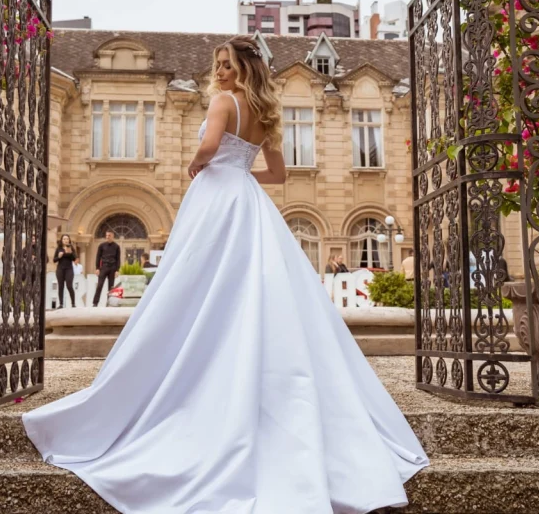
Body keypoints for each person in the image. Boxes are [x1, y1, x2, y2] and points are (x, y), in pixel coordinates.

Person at [23, 36, 428, 513]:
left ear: (240, 70)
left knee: (196, 283)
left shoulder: (222, 102)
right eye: (217, 65)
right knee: (254, 285)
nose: (219, 72)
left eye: (225, 65)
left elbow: (210, 145)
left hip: (216, 197)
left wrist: (200, 165)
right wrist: (239, 172)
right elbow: (275, 174)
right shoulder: (266, 110)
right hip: (246, 199)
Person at [92, 230, 120, 307]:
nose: (107, 237)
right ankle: (95, 303)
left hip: (113, 267)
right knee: (99, 285)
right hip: (104, 267)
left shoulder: (117, 246)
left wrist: (117, 270)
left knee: (111, 287)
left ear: (113, 236)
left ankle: (109, 303)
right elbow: (98, 257)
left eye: (109, 235)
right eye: (106, 235)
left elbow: (118, 259)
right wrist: (97, 268)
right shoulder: (101, 245)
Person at [53, 234, 78, 309]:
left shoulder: (71, 248)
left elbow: (74, 259)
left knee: (69, 286)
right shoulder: (59, 249)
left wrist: (70, 253)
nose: (66, 240)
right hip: (60, 269)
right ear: (62, 240)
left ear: (69, 240)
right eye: (64, 239)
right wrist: (59, 257)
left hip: (69, 269)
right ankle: (61, 304)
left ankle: (73, 303)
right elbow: (54, 260)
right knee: (60, 286)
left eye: (67, 239)